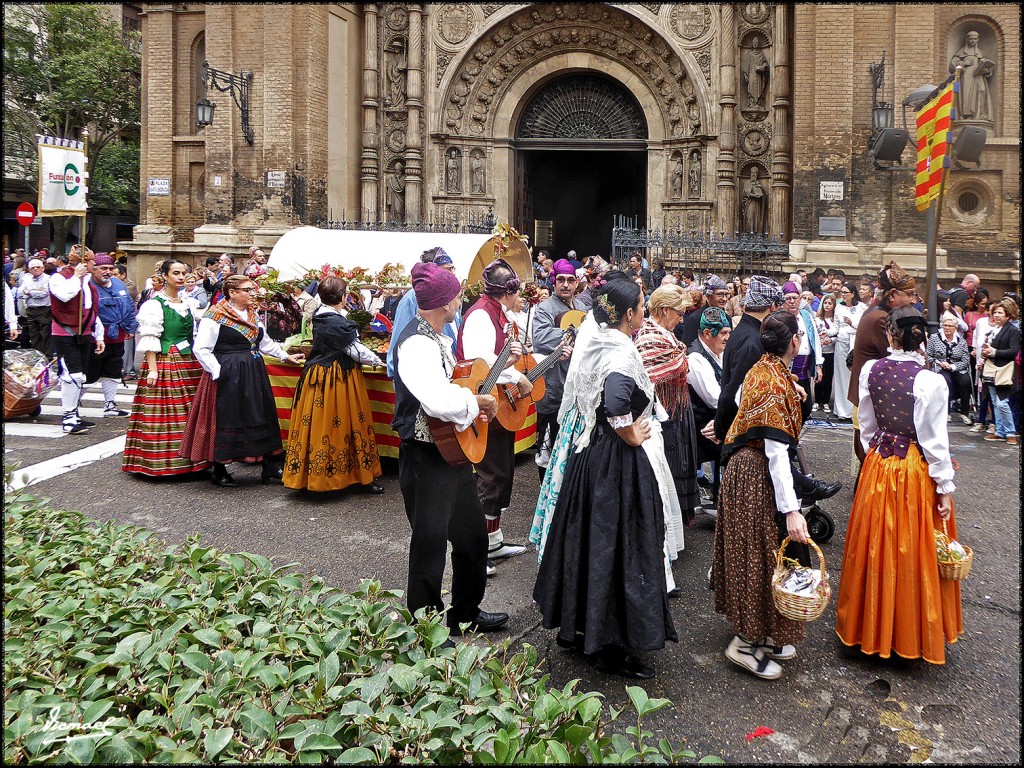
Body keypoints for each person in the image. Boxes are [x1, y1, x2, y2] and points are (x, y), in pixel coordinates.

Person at [533, 276, 677, 679]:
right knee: (616, 548)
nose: (644, 314)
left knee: (587, 541)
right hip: (615, 463)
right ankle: (607, 644)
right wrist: (628, 431)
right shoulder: (619, 347)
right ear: (628, 314)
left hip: (590, 456)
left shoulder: (597, 339)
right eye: (642, 307)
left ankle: (578, 629)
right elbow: (615, 400)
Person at [836, 306, 964, 663]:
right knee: (910, 547)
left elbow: (867, 425)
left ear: (890, 335)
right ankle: (906, 632)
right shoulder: (930, 381)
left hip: (879, 463)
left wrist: (877, 454)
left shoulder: (871, 371)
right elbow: (935, 442)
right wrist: (944, 488)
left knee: (874, 543)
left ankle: (869, 626)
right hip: (912, 470)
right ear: (921, 338)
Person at [392, 261, 508, 635]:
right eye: (457, 294)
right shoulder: (416, 343)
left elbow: (456, 380)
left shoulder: (439, 335)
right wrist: (478, 404)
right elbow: (436, 401)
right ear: (445, 301)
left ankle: (465, 613)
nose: (461, 299)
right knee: (429, 543)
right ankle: (426, 627)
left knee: (472, 536)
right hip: (425, 455)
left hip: (451, 452)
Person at [713, 310, 810, 680]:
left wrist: (790, 386)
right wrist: (791, 510)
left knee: (760, 553)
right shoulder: (772, 382)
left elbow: (739, 396)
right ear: (795, 343)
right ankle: (743, 642)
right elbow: (776, 453)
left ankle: (763, 632)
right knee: (759, 555)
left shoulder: (764, 368)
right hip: (756, 472)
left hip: (747, 468)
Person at [179, 274, 305, 487]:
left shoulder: (252, 314)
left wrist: (285, 356)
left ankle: (270, 465)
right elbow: (201, 348)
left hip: (253, 370)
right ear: (232, 292)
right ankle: (219, 469)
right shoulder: (215, 315)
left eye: (252, 289)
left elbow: (264, 343)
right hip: (228, 372)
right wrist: (218, 372)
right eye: (247, 290)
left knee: (260, 413)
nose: (252, 293)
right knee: (227, 417)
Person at [456, 259, 532, 567]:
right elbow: (481, 363)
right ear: (508, 291)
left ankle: (494, 541)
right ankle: (478, 549)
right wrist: (516, 376)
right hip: (483, 405)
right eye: (517, 290)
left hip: (497, 404)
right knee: (489, 475)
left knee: (501, 472)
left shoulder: (496, 313)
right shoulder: (480, 317)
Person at [283, 276, 385, 493]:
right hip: (336, 377)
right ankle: (344, 477)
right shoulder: (335, 322)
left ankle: (316, 475)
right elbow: (356, 351)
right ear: (344, 297)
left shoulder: (324, 315)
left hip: (319, 374)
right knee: (339, 424)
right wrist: (378, 360)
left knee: (325, 425)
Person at [122, 259, 211, 476]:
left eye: (183, 273)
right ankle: (164, 462)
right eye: (176, 273)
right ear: (164, 275)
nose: (181, 277)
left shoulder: (187, 301)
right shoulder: (154, 304)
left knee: (191, 410)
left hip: (189, 361)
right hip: (166, 360)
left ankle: (194, 461)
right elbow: (151, 337)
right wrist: (152, 369)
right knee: (167, 412)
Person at [635, 284, 700, 533]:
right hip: (664, 411)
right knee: (670, 465)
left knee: (681, 463)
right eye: (679, 313)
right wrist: (680, 359)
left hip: (677, 407)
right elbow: (651, 372)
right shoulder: (649, 336)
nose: (681, 319)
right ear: (663, 310)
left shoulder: (664, 333)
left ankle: (676, 523)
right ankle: (665, 525)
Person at [848, 262, 917, 475]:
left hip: (871, 397)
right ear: (893, 296)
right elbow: (901, 359)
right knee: (871, 461)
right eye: (910, 294)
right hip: (872, 400)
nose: (913, 300)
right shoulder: (881, 319)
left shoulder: (878, 312)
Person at [530, 259, 584, 481]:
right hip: (552, 388)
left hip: (576, 388)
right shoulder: (545, 308)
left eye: (570, 280)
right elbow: (540, 338)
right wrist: (575, 333)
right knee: (548, 448)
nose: (565, 285)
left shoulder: (581, 308)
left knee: (571, 447)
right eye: (560, 280)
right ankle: (546, 493)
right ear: (553, 281)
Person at [49, 247, 104, 434]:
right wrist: (76, 278)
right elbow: (65, 295)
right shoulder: (59, 278)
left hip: (84, 332)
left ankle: (74, 413)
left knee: (81, 375)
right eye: (91, 263)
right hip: (65, 332)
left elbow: (92, 311)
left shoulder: (89, 283)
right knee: (72, 375)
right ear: (83, 263)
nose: (93, 266)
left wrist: (99, 335)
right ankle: (68, 416)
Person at [386, 247, 460, 379]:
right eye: (448, 269)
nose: (452, 274)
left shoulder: (452, 299)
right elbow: (396, 353)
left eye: (453, 269)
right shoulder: (411, 300)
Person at [687, 306, 731, 510]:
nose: (727, 338)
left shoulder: (717, 352)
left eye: (729, 332)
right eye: (723, 333)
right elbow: (716, 399)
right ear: (707, 333)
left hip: (718, 419)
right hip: (701, 428)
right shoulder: (696, 358)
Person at [87, 254, 138, 417]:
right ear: (94, 269)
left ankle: (110, 404)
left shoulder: (118, 283)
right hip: (95, 337)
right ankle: (73, 404)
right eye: (103, 268)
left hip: (117, 335)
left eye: (110, 269)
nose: (107, 272)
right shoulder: (87, 285)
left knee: (113, 370)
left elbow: (129, 306)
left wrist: (131, 327)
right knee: (89, 372)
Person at [978, 299, 1020, 445]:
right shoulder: (992, 331)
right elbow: (988, 350)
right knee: (995, 403)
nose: (996, 315)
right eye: (995, 312)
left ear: (1007, 315)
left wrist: (994, 352)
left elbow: (1013, 351)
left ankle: (1010, 432)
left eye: (1000, 313)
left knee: (1002, 403)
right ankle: (1000, 431)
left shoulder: (1013, 330)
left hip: (1004, 371)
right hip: (991, 369)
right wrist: (984, 353)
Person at [781, 281, 823, 422]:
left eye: (795, 298)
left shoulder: (806, 315)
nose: (792, 302)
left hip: (805, 371)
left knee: (806, 407)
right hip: (788, 369)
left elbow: (815, 339)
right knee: (789, 406)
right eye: (788, 299)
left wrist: (818, 364)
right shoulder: (780, 318)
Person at [927, 315, 974, 425]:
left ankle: (964, 412)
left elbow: (966, 360)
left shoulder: (961, 342)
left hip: (957, 367)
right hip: (940, 367)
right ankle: (946, 412)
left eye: (950, 326)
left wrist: (953, 366)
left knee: (965, 380)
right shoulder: (934, 338)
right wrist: (939, 363)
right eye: (945, 325)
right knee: (945, 381)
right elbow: (928, 355)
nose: (947, 328)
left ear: (955, 327)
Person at [832, 282, 865, 421]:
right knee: (841, 375)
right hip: (842, 342)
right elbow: (835, 327)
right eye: (842, 292)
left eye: (846, 292)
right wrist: (826, 334)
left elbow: (864, 326)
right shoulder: (839, 307)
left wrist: (852, 323)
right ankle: (841, 409)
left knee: (854, 375)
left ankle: (853, 409)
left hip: (855, 343)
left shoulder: (862, 307)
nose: (843, 295)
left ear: (853, 293)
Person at [949, 29, 994, 121]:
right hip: (966, 77)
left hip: (978, 77)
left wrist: (986, 69)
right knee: (966, 95)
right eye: (971, 39)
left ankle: (979, 115)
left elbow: (985, 66)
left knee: (982, 90)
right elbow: (952, 66)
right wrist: (964, 63)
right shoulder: (961, 52)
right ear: (967, 40)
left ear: (978, 40)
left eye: (975, 39)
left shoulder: (980, 53)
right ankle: (966, 115)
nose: (973, 41)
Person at [678, 275, 730, 347]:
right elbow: (688, 346)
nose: (724, 299)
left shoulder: (727, 318)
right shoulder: (695, 319)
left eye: (726, 294)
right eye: (720, 294)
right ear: (709, 295)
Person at [17, 258, 52, 356]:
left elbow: (44, 293)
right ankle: (37, 356)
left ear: (43, 268)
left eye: (38, 267)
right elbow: (19, 293)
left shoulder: (48, 279)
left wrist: (28, 292)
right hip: (31, 310)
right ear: (29, 270)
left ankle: (47, 357)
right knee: (33, 335)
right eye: (33, 267)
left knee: (45, 335)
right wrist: (34, 291)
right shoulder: (26, 278)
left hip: (45, 310)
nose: (36, 269)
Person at [813, 294, 838, 414]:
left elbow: (838, 335)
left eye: (830, 303)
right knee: (818, 377)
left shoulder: (835, 320)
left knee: (828, 377)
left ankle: (826, 401)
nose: (827, 305)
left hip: (830, 352)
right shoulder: (817, 319)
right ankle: (817, 400)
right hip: (820, 352)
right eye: (825, 303)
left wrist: (831, 340)